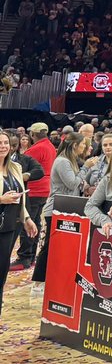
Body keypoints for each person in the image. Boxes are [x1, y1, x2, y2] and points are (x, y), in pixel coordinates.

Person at [31, 131, 90, 284]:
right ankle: (38, 281)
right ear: (75, 145)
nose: (84, 147)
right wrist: (86, 168)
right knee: (50, 246)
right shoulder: (63, 161)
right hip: (56, 209)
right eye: (83, 144)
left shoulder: (69, 160)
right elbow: (71, 183)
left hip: (65, 207)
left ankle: (52, 278)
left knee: (59, 247)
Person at [0, 130, 39, 318]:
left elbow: (20, 197)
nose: (3, 146)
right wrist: (1, 199)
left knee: (1, 270)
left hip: (9, 226)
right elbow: (6, 198)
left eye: (5, 142)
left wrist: (27, 219)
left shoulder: (15, 167)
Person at [18, 121, 55, 270]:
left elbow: (23, 169)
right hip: (45, 189)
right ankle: (32, 256)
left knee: (27, 223)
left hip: (33, 190)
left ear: (32, 134)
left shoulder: (35, 149)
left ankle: (24, 257)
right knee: (37, 223)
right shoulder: (51, 147)